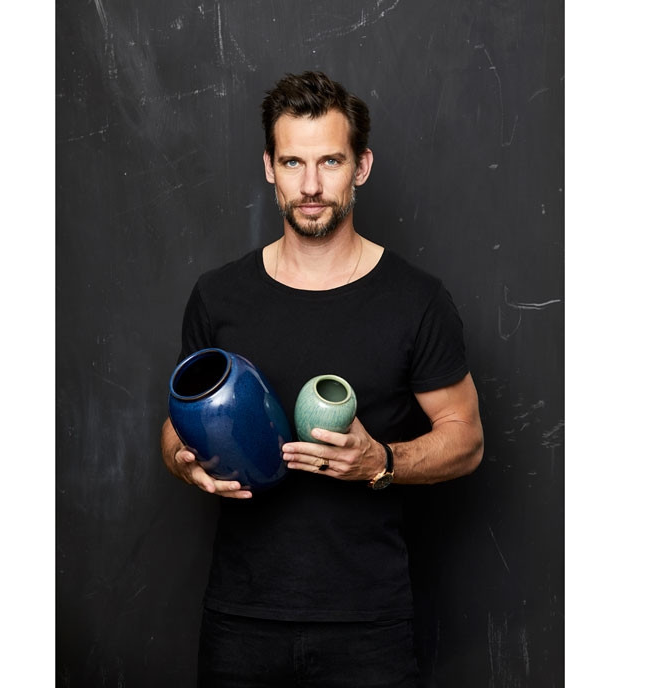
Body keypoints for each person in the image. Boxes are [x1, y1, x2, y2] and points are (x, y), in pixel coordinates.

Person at [160, 70, 484, 687]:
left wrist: (381, 462)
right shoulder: (219, 296)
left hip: (370, 626)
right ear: (269, 168)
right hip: (241, 619)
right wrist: (183, 461)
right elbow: (175, 428)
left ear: (361, 167)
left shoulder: (416, 301)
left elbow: (466, 438)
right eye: (293, 162)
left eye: (330, 161)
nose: (311, 186)